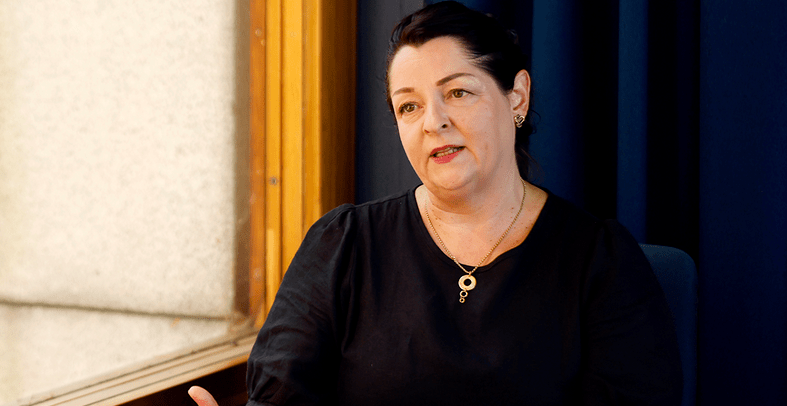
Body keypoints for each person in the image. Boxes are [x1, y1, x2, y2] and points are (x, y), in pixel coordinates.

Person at [191, 2, 682, 405]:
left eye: (458, 92)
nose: (434, 122)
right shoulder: (343, 246)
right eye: (409, 106)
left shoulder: (602, 263)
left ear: (517, 97)